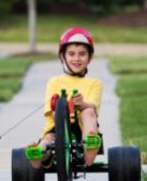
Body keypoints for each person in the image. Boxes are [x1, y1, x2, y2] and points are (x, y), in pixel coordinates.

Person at [26, 27, 103, 169]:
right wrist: (64, 108)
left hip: (84, 129)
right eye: (71, 54)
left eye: (82, 54)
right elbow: (53, 112)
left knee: (88, 112)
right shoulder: (54, 82)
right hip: (58, 127)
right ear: (63, 56)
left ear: (90, 57)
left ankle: (89, 148)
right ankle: (39, 153)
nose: (77, 59)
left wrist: (82, 104)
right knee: (48, 139)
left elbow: (92, 107)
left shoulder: (95, 83)